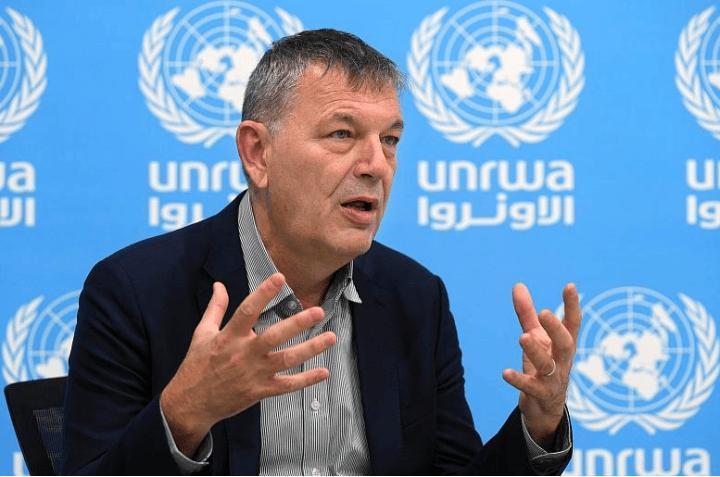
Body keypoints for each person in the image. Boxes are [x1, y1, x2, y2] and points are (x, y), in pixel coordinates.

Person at [61, 29, 581, 475]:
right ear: (257, 153)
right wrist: (185, 413)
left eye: (390, 140)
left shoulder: (415, 296)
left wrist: (540, 423)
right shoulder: (136, 291)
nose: (376, 165)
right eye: (342, 134)